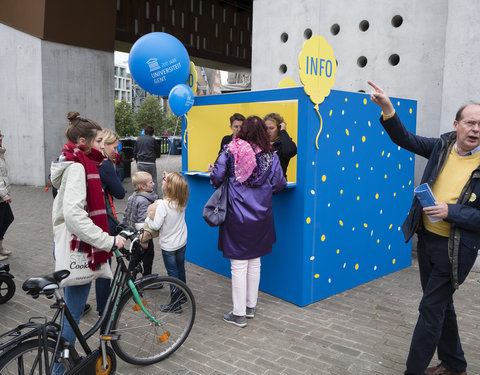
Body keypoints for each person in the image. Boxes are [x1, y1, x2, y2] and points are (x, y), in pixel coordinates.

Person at [369, 81, 479, 375]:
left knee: (430, 310)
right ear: (456, 124)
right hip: (428, 240)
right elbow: (405, 139)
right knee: (443, 306)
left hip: (455, 251)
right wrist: (388, 109)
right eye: (470, 123)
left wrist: (450, 211)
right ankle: (455, 365)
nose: (476, 129)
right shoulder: (442, 146)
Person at [50, 112, 126, 354]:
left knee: (71, 312)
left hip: (73, 245)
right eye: (99, 142)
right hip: (79, 248)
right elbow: (74, 215)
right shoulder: (77, 168)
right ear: (83, 142)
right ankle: (60, 369)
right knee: (73, 314)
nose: (102, 147)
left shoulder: (74, 162)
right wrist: (107, 241)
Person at [210, 116, 286, 328]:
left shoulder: (231, 150)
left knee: (238, 265)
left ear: (243, 131)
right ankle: (250, 307)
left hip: (237, 214)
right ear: (263, 132)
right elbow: (279, 184)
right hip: (262, 215)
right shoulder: (271, 155)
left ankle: (238, 314)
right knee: (255, 261)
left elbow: (216, 178)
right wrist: (262, 192)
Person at [143, 171, 189, 312]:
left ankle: (175, 304)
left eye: (165, 181)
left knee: (172, 273)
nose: (162, 182)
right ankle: (183, 294)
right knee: (180, 268)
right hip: (181, 242)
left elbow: (156, 225)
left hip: (169, 246)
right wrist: (170, 177)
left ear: (168, 188)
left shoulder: (163, 205)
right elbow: (177, 185)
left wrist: (149, 216)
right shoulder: (181, 200)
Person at [96, 128, 126, 315]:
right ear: (103, 144)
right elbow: (120, 193)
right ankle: (103, 307)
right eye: (113, 147)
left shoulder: (85, 161)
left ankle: (77, 304)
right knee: (104, 266)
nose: (115, 151)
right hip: (104, 221)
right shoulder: (104, 164)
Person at [122, 171, 158, 275]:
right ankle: (146, 279)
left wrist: (124, 227)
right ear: (143, 186)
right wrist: (145, 240)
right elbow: (143, 221)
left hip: (134, 233)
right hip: (144, 235)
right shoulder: (144, 201)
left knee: (136, 256)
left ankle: (129, 278)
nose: (153, 183)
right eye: (151, 182)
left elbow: (126, 213)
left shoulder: (132, 197)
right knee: (147, 256)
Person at [264, 113, 297, 179]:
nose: (268, 131)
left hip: (278, 184)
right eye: (265, 128)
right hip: (262, 185)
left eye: (271, 128)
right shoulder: (260, 144)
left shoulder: (284, 143)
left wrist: (283, 131)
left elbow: (289, 152)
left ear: (279, 129)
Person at [133, 125, 160, 194]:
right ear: (152, 133)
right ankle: (154, 195)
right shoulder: (153, 140)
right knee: (153, 179)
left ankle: (141, 194)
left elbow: (135, 151)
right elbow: (157, 151)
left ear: (144, 132)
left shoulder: (138, 139)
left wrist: (137, 160)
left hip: (140, 162)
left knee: (140, 179)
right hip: (150, 162)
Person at [0, 131, 13, 261]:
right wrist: (4, 194)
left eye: (1, 135)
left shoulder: (0, 153)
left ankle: (0, 246)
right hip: (1, 196)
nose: (0, 138)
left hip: (2, 196)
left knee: (8, 218)